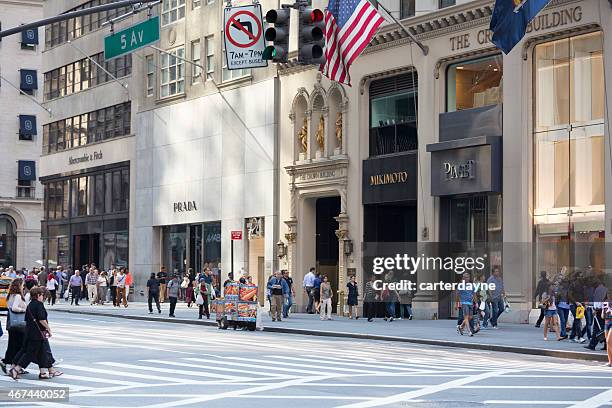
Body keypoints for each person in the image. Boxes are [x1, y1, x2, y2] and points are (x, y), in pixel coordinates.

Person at [9, 287, 62, 380]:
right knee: (30, 353)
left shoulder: (30, 305)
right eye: (42, 295)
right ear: (38, 295)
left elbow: (27, 319)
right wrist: (48, 329)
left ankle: (43, 373)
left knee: (42, 352)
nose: (43, 297)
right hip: (37, 334)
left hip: (29, 332)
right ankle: (16, 369)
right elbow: (42, 319)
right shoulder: (39, 305)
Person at [0, 279, 27, 374]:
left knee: (12, 344)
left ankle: (8, 362)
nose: (23, 286)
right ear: (19, 286)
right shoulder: (18, 296)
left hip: (12, 323)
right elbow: (15, 308)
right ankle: (14, 366)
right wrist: (23, 310)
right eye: (22, 285)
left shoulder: (9, 296)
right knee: (20, 345)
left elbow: (9, 307)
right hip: (19, 324)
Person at [456, 272, 475, 336]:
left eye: (468, 277)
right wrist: (457, 304)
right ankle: (469, 332)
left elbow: (474, 294)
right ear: (463, 278)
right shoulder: (460, 285)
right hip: (464, 303)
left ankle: (460, 326)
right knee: (466, 317)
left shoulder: (471, 285)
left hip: (470, 303)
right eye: (465, 277)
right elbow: (457, 295)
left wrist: (476, 303)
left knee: (470, 317)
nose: (466, 278)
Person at [603, 296, 612, 367]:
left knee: (609, 341)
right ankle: (610, 362)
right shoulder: (605, 301)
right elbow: (603, 315)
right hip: (606, 323)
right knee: (607, 343)